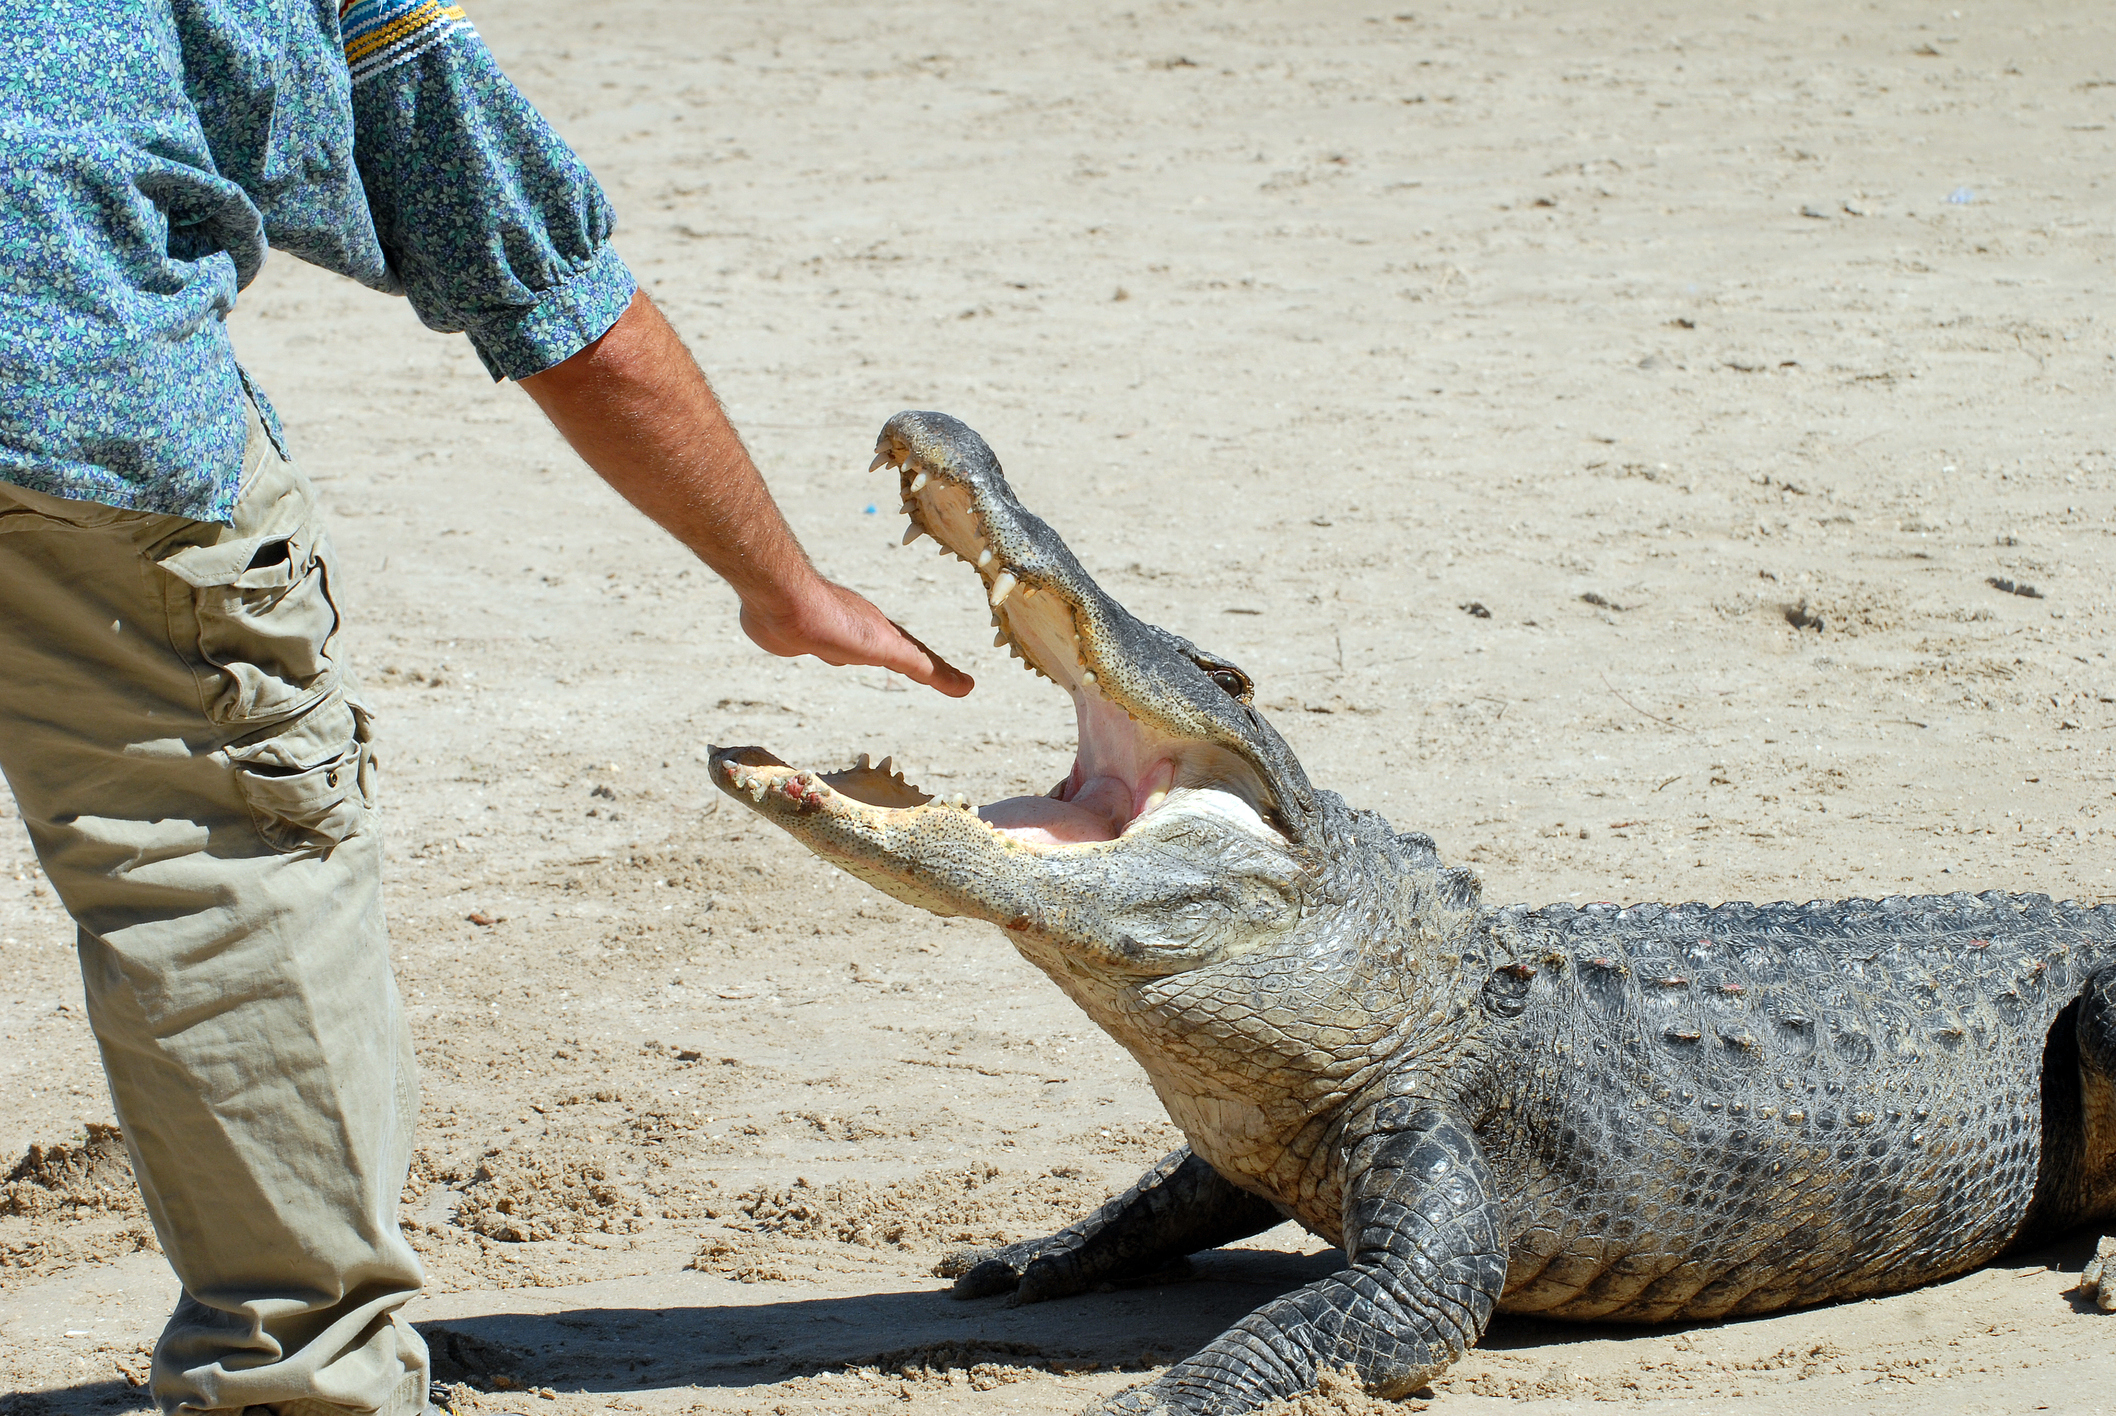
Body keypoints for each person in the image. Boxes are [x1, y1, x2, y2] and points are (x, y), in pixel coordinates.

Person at [0, 3, 969, 1413]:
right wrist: (780, 583)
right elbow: (540, 278)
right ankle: (304, 1377)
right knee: (218, 860)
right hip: (77, 396)